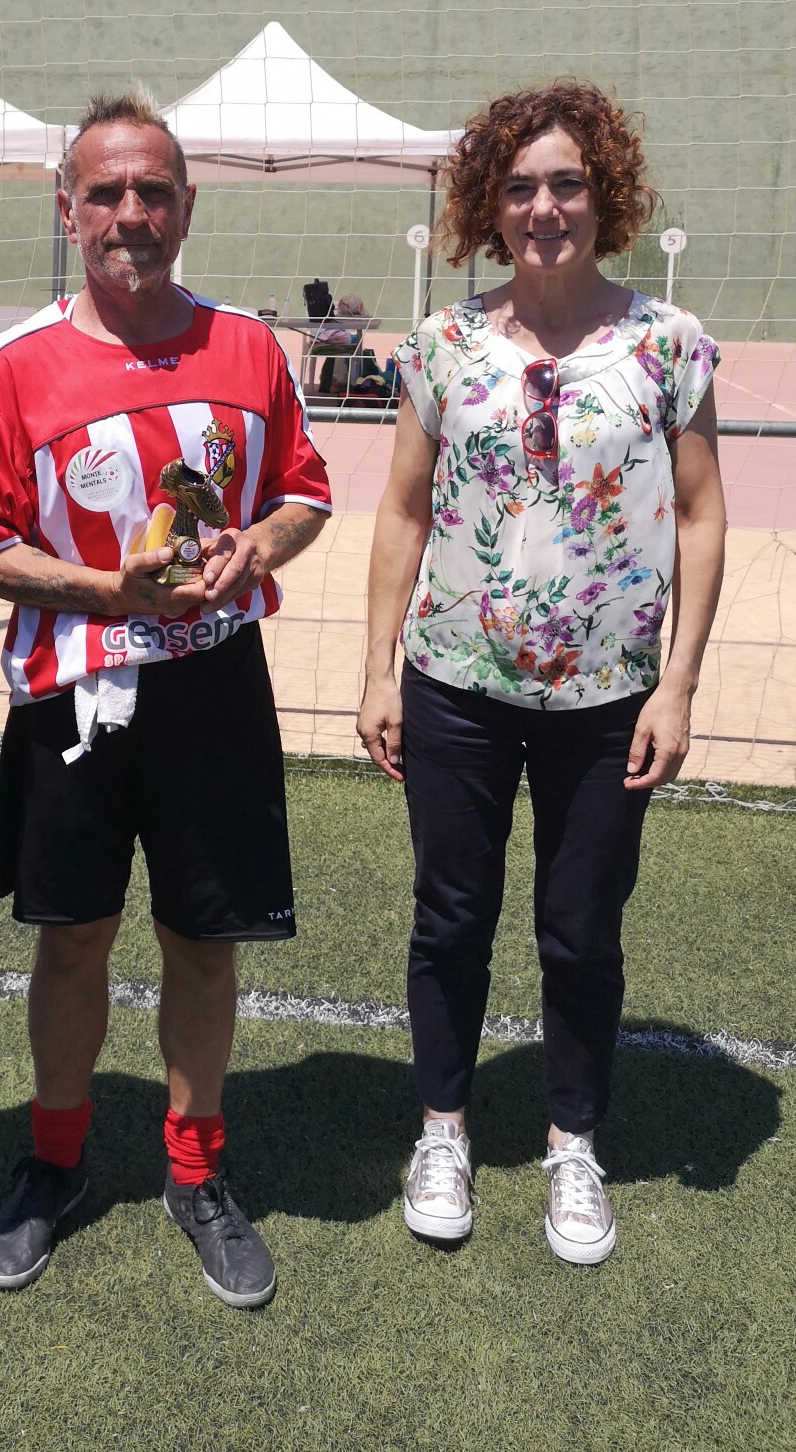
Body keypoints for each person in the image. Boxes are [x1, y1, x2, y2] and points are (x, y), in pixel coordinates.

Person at [0, 91, 330, 1310]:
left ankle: (194, 1166)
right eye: (103, 193)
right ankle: (54, 1159)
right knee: (72, 937)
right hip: (73, 694)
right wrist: (106, 592)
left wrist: (255, 549)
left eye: (150, 190)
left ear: (185, 206)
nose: (128, 214)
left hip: (213, 685)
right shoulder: (15, 365)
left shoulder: (250, 347)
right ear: (68, 209)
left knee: (201, 940)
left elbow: (304, 492)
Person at [357, 81, 725, 1266]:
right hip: (454, 686)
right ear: (487, 204)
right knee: (449, 919)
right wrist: (376, 670)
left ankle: (573, 1143)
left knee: (578, 932)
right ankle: (443, 1131)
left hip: (607, 696)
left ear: (600, 193)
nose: (541, 206)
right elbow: (402, 514)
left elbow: (704, 519)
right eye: (517, 186)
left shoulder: (665, 346)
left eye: (564, 182)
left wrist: (675, 685)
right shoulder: (443, 347)